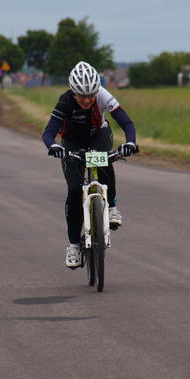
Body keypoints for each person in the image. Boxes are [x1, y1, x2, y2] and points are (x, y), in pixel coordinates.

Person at [42, 61, 137, 268]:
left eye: (91, 95)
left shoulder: (103, 95)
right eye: (81, 96)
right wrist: (54, 146)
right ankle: (74, 246)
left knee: (104, 159)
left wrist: (130, 142)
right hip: (72, 141)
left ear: (97, 90)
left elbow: (127, 123)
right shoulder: (65, 101)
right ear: (73, 92)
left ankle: (112, 207)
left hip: (98, 135)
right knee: (75, 190)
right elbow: (49, 132)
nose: (86, 100)